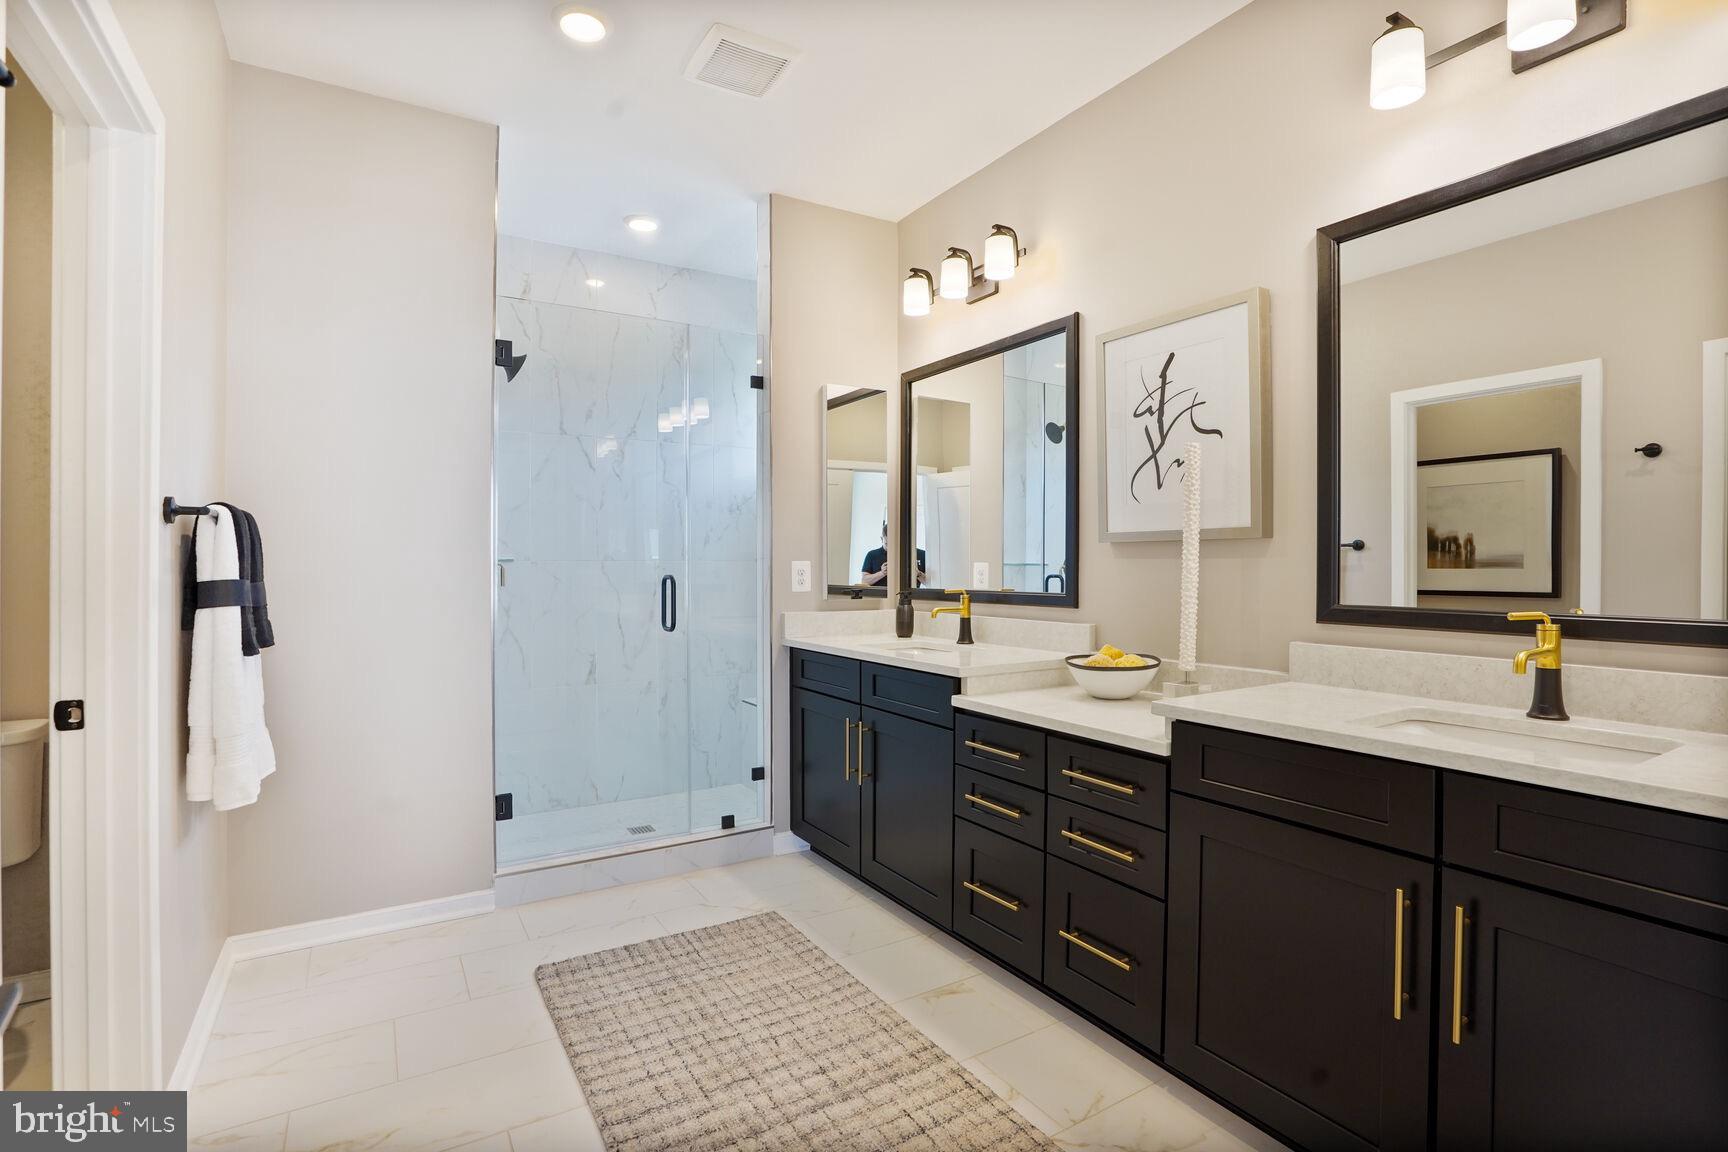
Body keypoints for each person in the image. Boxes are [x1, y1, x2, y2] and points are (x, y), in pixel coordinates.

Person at [860, 522, 927, 587]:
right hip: (880, 597)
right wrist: (882, 573)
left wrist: (918, 574)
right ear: (882, 539)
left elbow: (932, 584)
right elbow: (864, 581)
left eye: (896, 544)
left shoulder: (921, 554)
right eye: (887, 544)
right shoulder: (872, 555)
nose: (892, 548)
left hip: (910, 597)